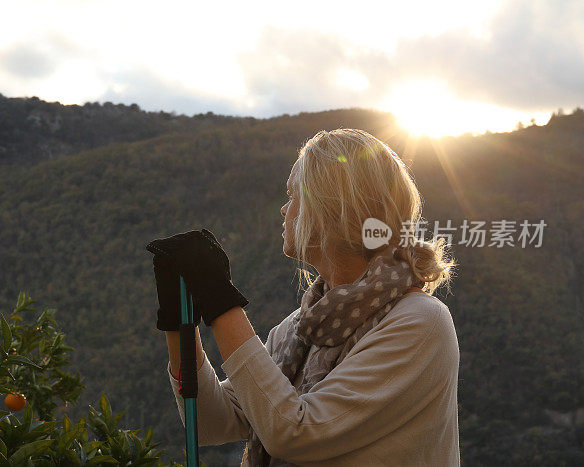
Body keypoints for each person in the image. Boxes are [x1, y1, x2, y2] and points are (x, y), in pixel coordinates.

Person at [146, 128, 460, 466]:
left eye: (293, 195)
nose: (283, 209)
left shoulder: (419, 323)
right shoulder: (298, 329)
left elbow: (295, 433)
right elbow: (209, 421)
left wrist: (220, 300)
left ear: (332, 207)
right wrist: (178, 320)